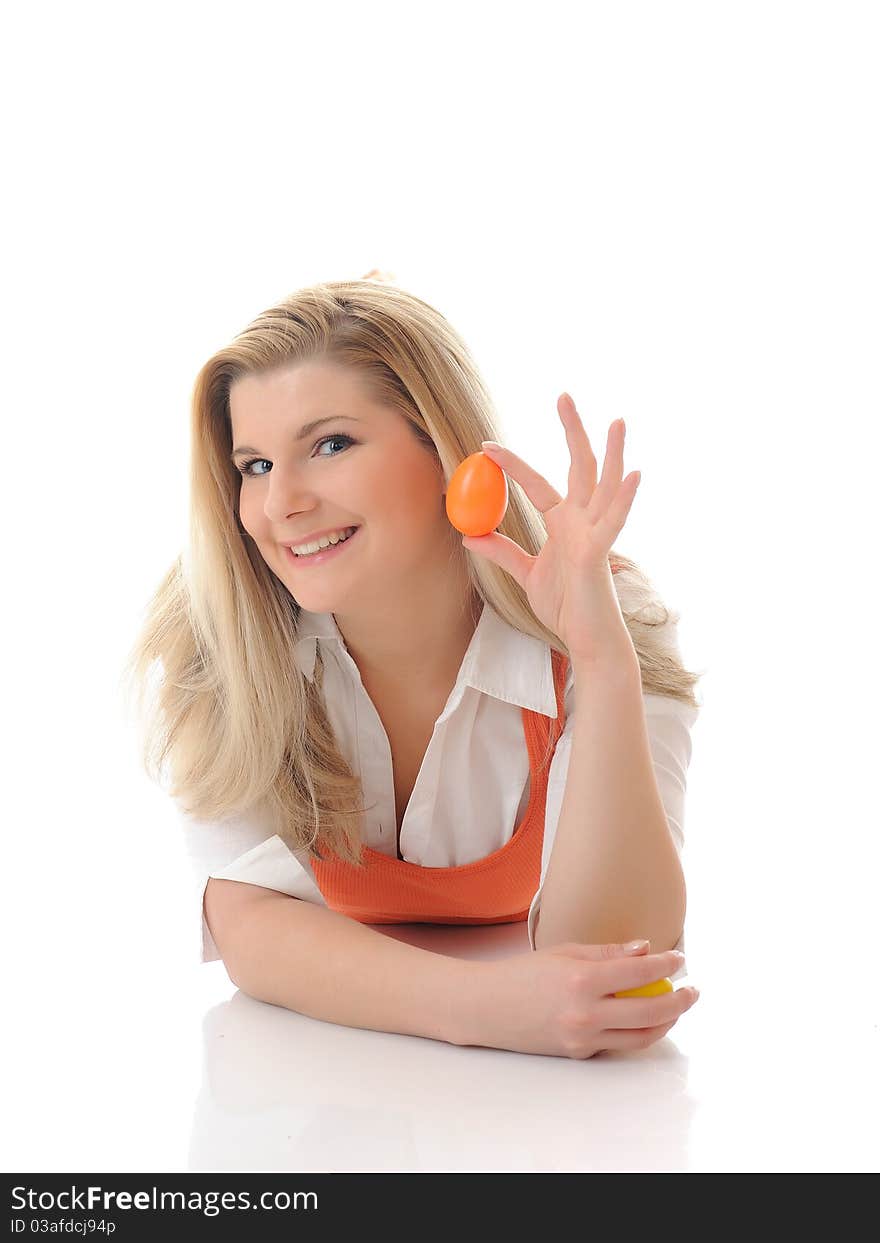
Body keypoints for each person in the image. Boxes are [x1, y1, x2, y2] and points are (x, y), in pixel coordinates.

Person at [121, 272, 704, 1060]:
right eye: (254, 465)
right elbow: (248, 923)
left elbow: (618, 962)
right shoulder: (215, 642)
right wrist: (486, 1006)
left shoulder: (610, 617)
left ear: (452, 458)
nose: (281, 503)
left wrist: (602, 664)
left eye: (330, 444)